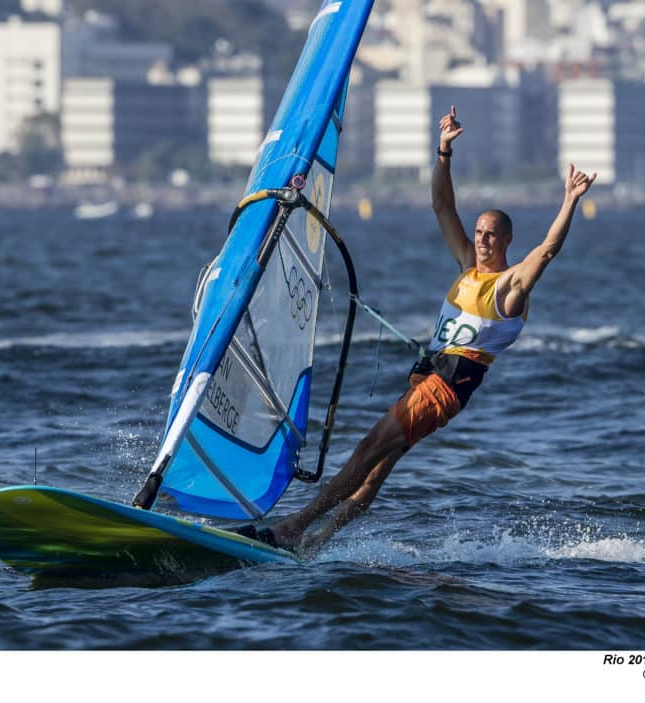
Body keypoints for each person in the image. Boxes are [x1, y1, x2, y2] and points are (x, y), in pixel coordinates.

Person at [240, 105, 596, 553]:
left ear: (506, 241)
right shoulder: (468, 266)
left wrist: (569, 202)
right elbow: (442, 205)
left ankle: (293, 527)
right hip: (431, 378)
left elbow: (545, 252)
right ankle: (317, 542)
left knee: (370, 446)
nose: (482, 238)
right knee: (377, 467)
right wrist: (443, 151)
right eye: (480, 232)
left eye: (491, 234)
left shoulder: (509, 289)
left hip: (445, 387)